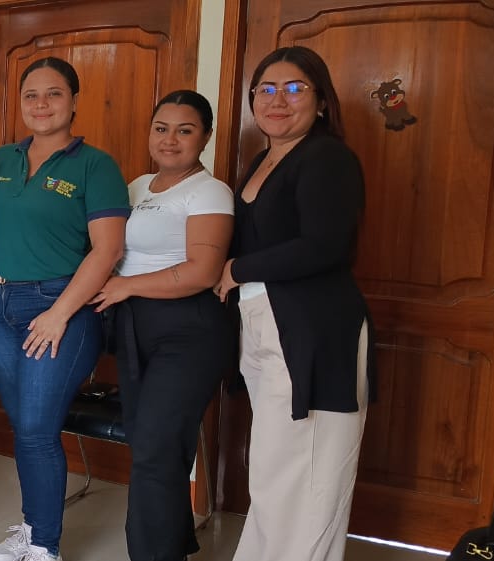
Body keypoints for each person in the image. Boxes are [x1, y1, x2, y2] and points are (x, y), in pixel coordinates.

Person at [212, 46, 373, 561]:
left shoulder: (327, 157)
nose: (277, 100)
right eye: (266, 89)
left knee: (308, 470)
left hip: (315, 330)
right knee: (273, 464)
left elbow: (325, 245)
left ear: (321, 101)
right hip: (268, 322)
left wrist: (238, 269)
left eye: (294, 88)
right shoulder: (266, 159)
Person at [0, 56, 129, 561]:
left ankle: (45, 546)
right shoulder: (0, 160)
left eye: (54, 94)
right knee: (25, 427)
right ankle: (32, 528)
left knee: (38, 430)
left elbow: (107, 250)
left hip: (56, 307)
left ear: (73, 101)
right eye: (31, 95)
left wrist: (60, 313)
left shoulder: (96, 165)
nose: (41, 104)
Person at [90, 90, 233, 561]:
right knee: (152, 444)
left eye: (184, 130)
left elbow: (203, 272)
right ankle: (174, 545)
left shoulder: (209, 191)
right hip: (135, 326)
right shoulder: (137, 186)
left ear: (205, 137)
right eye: (161, 128)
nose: (170, 139)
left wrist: (126, 286)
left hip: (188, 329)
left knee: (155, 448)